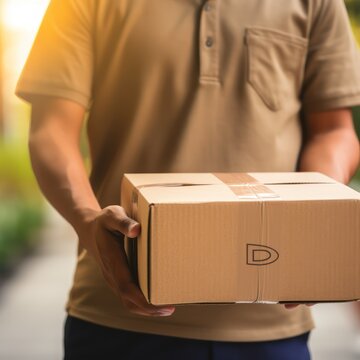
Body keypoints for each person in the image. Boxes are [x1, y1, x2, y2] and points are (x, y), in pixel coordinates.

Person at [16, 0, 360, 359]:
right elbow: (51, 130)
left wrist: (318, 209)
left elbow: (334, 129)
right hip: (120, 312)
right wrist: (88, 221)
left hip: (269, 320)